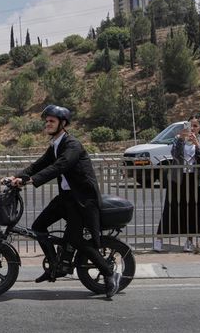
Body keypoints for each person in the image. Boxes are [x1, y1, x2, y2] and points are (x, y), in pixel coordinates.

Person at [9, 104, 121, 298]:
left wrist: (30, 181)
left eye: (51, 121)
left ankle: (109, 273)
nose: (47, 124)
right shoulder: (55, 146)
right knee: (39, 225)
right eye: (47, 121)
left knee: (78, 240)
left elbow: (61, 166)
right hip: (67, 198)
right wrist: (15, 177)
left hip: (82, 200)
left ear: (63, 123)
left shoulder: (72, 145)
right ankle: (55, 266)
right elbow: (38, 165)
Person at [154, 115, 200, 253]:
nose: (192, 128)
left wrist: (197, 145)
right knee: (171, 208)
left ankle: (189, 241)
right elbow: (174, 154)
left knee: (193, 210)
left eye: (195, 126)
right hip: (177, 179)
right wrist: (180, 139)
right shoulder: (178, 138)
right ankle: (159, 240)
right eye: (190, 125)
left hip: (193, 179)